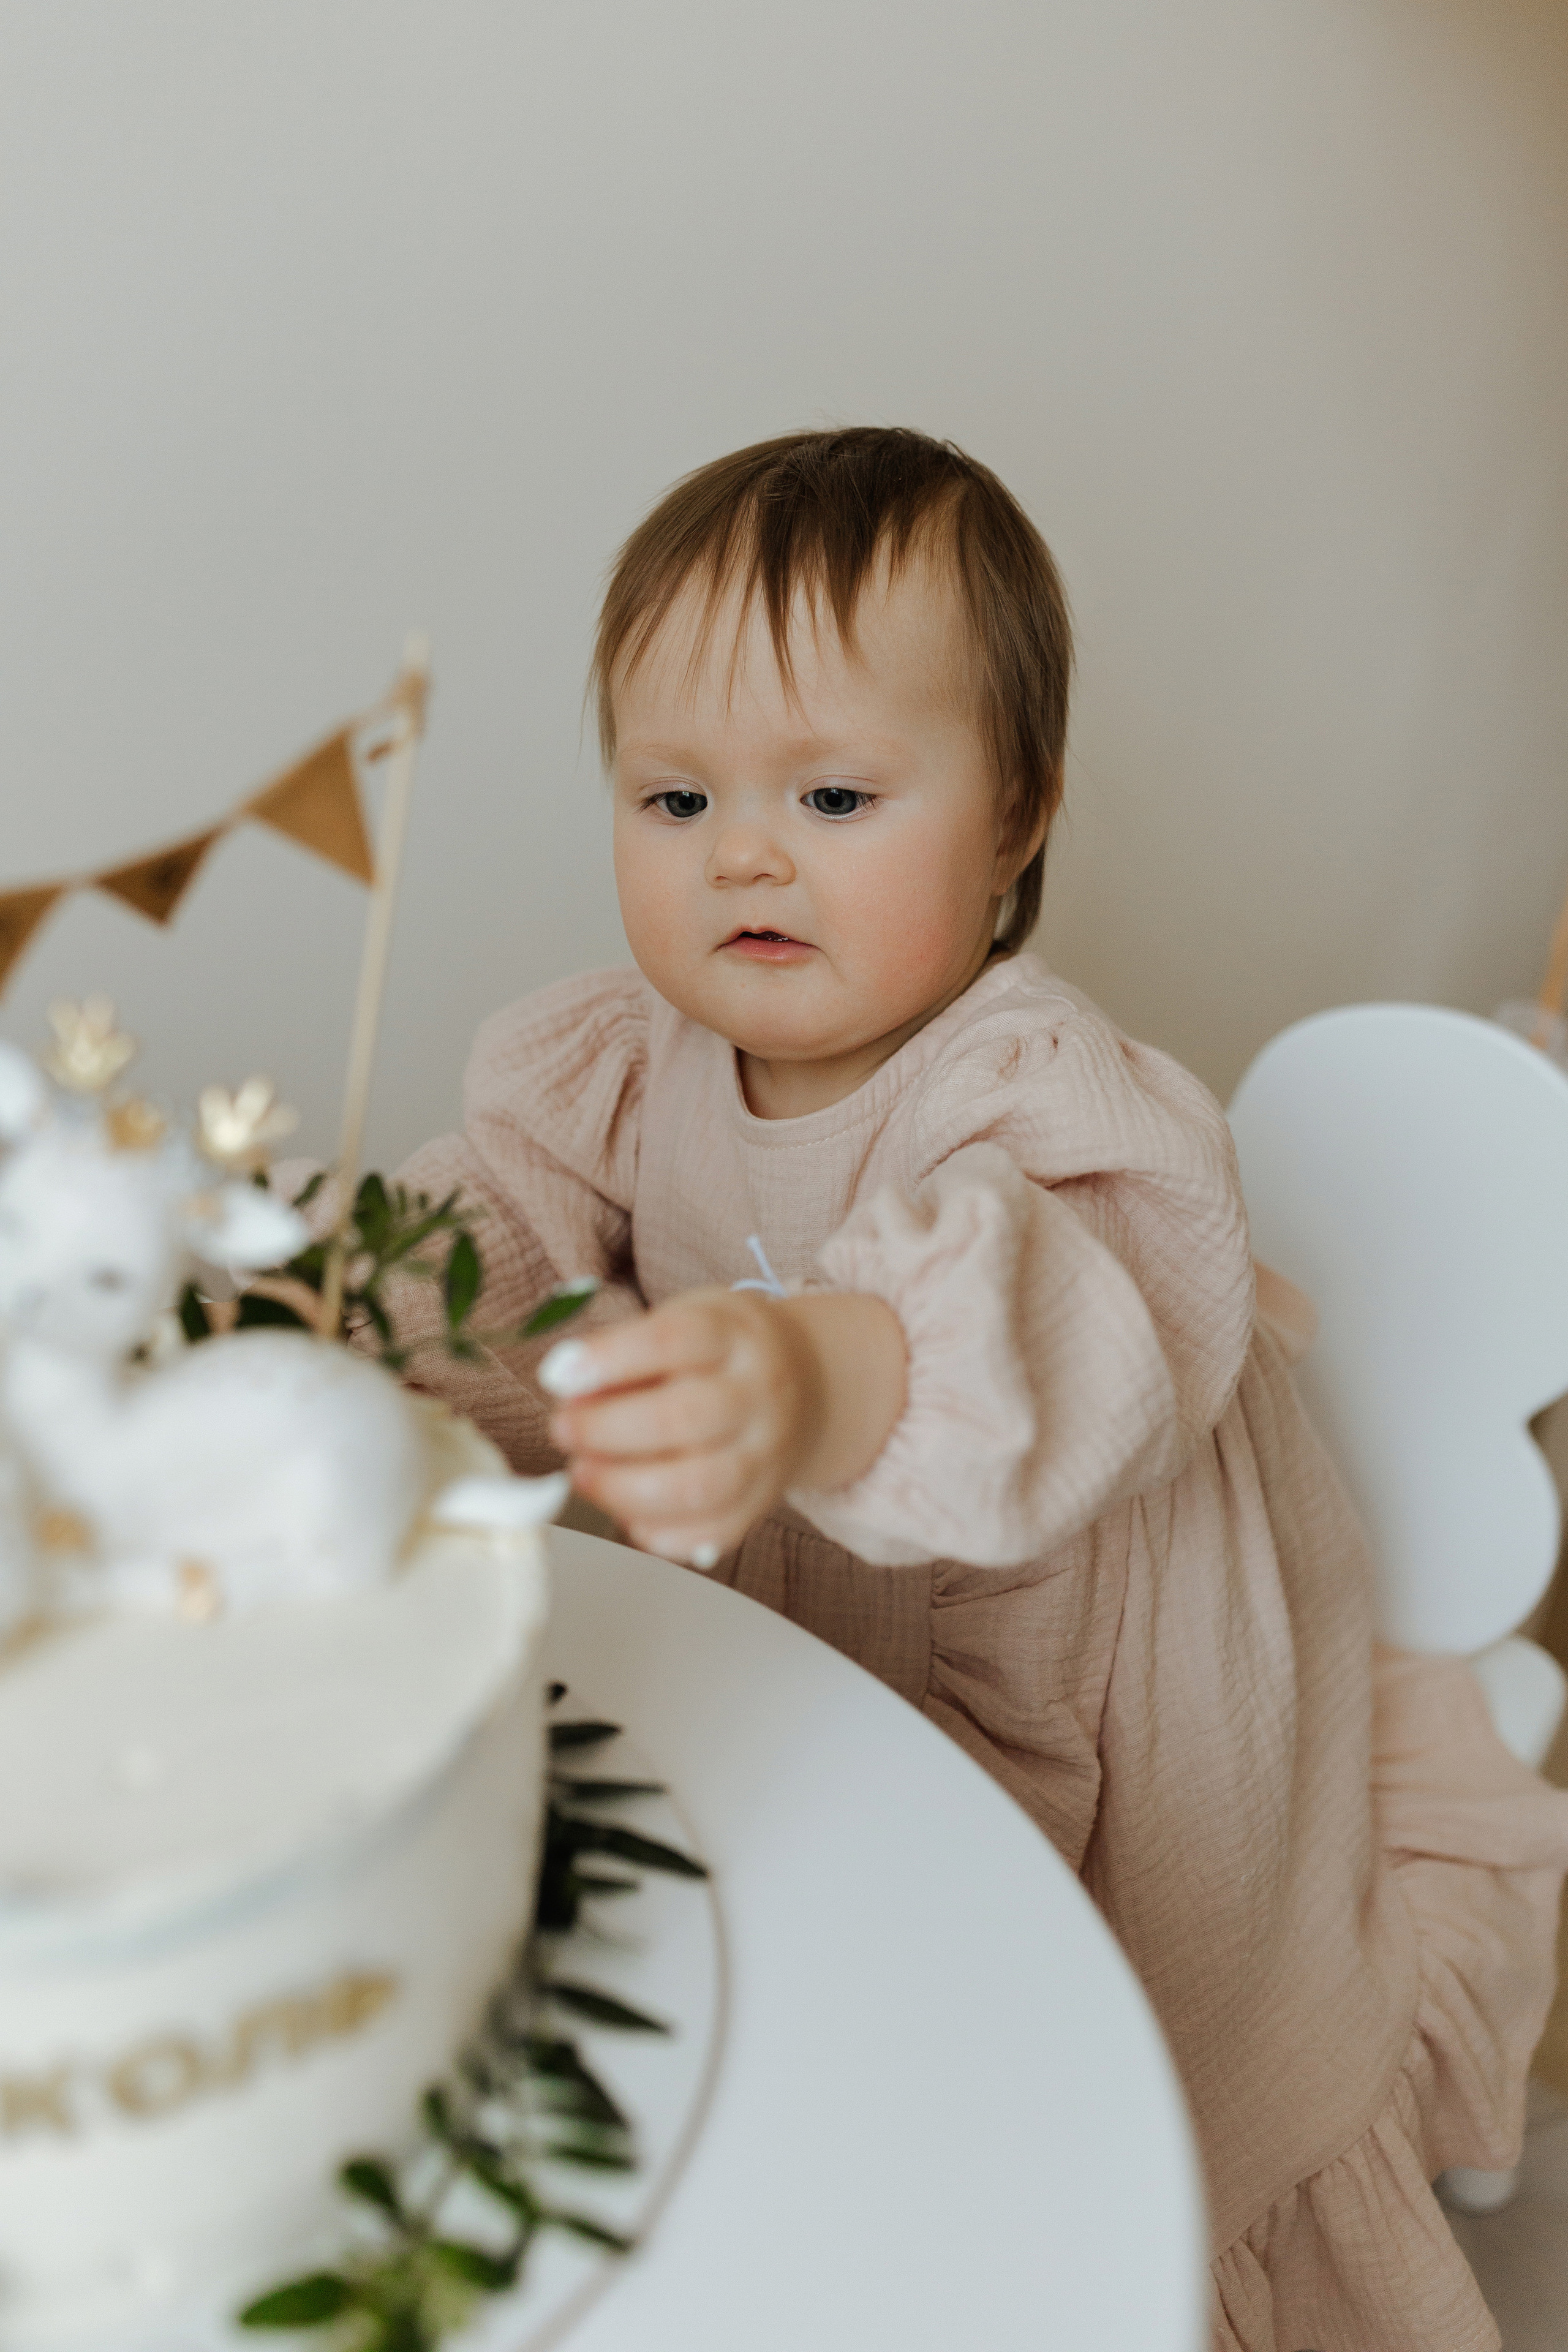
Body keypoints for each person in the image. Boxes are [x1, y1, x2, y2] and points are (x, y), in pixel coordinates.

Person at [386, 426, 1568, 2349]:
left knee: (1069, 2081)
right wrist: (294, 1316)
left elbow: (1041, 1311)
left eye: (835, 793)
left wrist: (814, 1369)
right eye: (674, 796)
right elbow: (474, 1243)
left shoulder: (1051, 1099)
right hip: (835, 1636)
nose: (744, 852)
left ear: (1019, 815)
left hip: (1111, 1709)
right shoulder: (617, 1070)